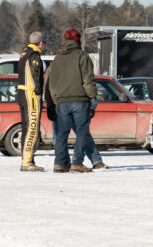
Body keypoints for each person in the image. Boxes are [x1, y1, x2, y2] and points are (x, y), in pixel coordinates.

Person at [46, 28, 104, 173]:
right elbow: (88, 80)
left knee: (61, 134)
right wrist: (92, 97)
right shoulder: (82, 56)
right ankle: (77, 162)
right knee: (82, 132)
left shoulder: (57, 59)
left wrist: (53, 102)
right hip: (80, 101)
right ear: (77, 40)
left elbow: (51, 83)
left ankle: (59, 163)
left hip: (61, 102)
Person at [17, 31, 46, 172]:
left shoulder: (24, 54)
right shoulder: (34, 55)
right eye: (43, 42)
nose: (44, 45)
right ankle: (27, 162)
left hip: (22, 93)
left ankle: (27, 159)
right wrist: (39, 92)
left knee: (26, 127)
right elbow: (35, 74)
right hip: (30, 94)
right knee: (32, 127)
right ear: (40, 42)